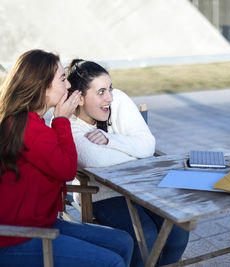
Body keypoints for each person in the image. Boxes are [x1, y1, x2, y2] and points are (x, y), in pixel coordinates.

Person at [0, 49, 133, 266]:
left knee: (123, 242)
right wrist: (62, 120)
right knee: (112, 262)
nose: (69, 85)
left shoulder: (30, 122)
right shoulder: (26, 127)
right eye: (63, 79)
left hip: (42, 223)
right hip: (16, 236)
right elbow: (66, 169)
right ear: (43, 87)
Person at [67, 59, 189, 267]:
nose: (110, 98)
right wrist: (136, 152)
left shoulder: (118, 100)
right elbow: (97, 161)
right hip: (100, 193)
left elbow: (148, 146)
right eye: (101, 92)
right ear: (79, 97)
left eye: (110, 89)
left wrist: (110, 139)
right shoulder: (68, 123)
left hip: (140, 185)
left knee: (178, 230)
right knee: (146, 236)